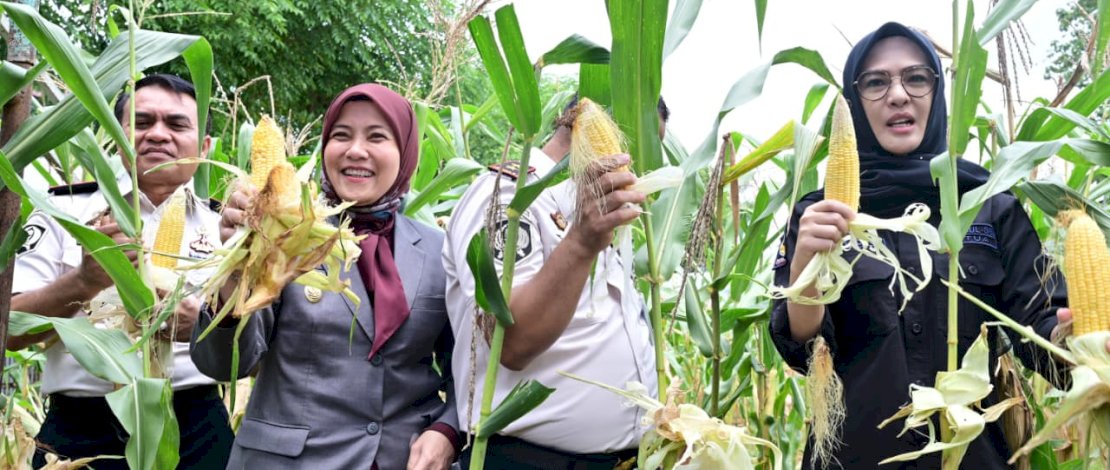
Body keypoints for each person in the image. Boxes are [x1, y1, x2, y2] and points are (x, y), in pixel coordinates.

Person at [768, 22, 1106, 469]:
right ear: (855, 99)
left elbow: (1043, 334)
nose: (898, 95)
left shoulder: (989, 204)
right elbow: (804, 355)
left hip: (972, 457)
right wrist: (806, 270)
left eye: (915, 78)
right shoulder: (819, 214)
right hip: (855, 457)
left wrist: (1081, 342)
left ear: (937, 91)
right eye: (876, 82)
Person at [190, 83, 458, 470]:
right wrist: (237, 271)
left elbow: (467, 368)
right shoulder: (284, 232)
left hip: (402, 459)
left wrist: (447, 430)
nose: (356, 150)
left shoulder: (440, 249)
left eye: (377, 137)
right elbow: (222, 364)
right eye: (341, 135)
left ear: (406, 152)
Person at [8, 73, 233, 469]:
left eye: (177, 124)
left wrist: (203, 324)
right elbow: (10, 329)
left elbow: (258, 344)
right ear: (117, 136)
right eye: (142, 122)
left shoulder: (228, 227)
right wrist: (83, 281)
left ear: (205, 146)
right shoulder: (63, 213)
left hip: (196, 427)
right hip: (81, 432)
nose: (158, 134)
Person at [443, 96, 669, 469]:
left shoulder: (597, 211)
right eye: (646, 147)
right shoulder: (508, 195)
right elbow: (512, 343)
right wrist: (581, 242)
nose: (647, 167)